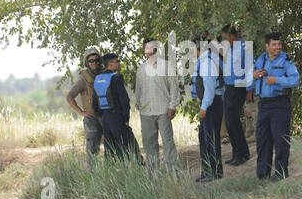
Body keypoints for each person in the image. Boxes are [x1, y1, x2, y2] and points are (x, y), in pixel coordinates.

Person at [252, 32, 300, 182]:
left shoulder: (286, 60)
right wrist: (254, 77)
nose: (278, 47)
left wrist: (277, 80)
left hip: (280, 104)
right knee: (262, 140)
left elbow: (295, 80)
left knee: (280, 140)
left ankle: (280, 173)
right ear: (267, 46)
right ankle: (262, 174)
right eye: (274, 44)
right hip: (264, 104)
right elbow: (251, 81)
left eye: (279, 44)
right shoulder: (261, 60)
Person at [135, 39, 181, 171]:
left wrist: (172, 105)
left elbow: (174, 87)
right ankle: (153, 172)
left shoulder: (166, 66)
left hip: (163, 110)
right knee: (149, 143)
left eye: (151, 48)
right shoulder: (141, 69)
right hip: (146, 112)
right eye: (146, 48)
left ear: (156, 49)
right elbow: (138, 90)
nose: (148, 51)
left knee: (167, 142)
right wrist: (139, 105)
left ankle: (173, 171)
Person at [92, 53, 143, 162]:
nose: (119, 63)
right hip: (117, 117)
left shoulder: (97, 79)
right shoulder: (116, 78)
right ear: (110, 64)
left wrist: (103, 116)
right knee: (127, 146)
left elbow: (94, 104)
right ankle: (132, 169)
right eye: (117, 61)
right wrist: (126, 119)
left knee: (109, 148)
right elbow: (124, 100)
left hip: (105, 118)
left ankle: (112, 171)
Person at [191, 37, 225, 182]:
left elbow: (210, 88)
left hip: (211, 104)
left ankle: (214, 173)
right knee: (204, 139)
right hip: (212, 103)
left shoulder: (207, 63)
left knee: (210, 140)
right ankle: (207, 172)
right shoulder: (207, 60)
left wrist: (204, 107)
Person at [221, 24, 253, 166]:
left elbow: (250, 69)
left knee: (233, 119)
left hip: (239, 87)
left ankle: (243, 153)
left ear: (232, 36)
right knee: (229, 121)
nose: (225, 41)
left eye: (226, 38)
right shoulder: (231, 49)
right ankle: (236, 152)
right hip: (228, 87)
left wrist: (250, 90)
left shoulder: (244, 48)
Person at [66, 47, 103, 169]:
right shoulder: (83, 80)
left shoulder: (105, 75)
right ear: (87, 63)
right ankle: (92, 175)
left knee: (111, 147)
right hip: (91, 118)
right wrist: (82, 112)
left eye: (97, 60)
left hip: (106, 116)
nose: (94, 63)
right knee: (92, 149)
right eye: (91, 61)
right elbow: (70, 97)